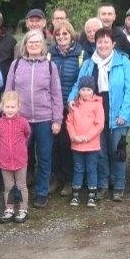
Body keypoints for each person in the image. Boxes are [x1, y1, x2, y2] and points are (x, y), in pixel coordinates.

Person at [70, 28, 130, 202]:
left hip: (117, 115)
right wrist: (71, 99)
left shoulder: (123, 62)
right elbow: (78, 85)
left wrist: (124, 113)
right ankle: (102, 185)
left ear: (113, 43)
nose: (103, 44)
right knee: (99, 152)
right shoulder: (88, 64)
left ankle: (119, 186)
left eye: (106, 41)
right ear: (95, 43)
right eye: (99, 41)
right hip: (93, 116)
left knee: (118, 152)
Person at [5, 29, 63, 208]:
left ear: (42, 45)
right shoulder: (16, 65)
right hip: (21, 120)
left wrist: (57, 119)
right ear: (25, 45)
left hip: (45, 120)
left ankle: (41, 192)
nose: (33, 45)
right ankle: (18, 191)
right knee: (21, 158)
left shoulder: (49, 66)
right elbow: (9, 92)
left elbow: (56, 94)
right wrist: (7, 115)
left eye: (37, 42)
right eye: (30, 42)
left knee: (45, 157)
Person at [49, 21, 84, 196]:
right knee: (54, 144)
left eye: (65, 34)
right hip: (52, 107)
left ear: (71, 35)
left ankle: (70, 179)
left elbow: (81, 81)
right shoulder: (49, 54)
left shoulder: (80, 54)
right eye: (58, 35)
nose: (61, 37)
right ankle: (55, 177)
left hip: (71, 107)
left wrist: (73, 100)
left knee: (68, 143)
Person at [66, 77, 105, 208]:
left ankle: (92, 195)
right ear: (79, 90)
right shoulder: (74, 104)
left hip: (92, 145)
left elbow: (99, 124)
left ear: (93, 90)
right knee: (78, 168)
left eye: (88, 89)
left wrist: (87, 137)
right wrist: (73, 136)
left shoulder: (97, 104)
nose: (85, 92)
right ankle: (75, 194)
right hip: (77, 144)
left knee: (91, 169)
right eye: (83, 89)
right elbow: (69, 122)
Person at [0, 91, 30, 223]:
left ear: (18, 106)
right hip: (4, 161)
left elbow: (27, 135)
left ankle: (23, 209)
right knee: (8, 186)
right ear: (2, 106)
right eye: (7, 107)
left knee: (21, 185)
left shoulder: (23, 122)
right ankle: (9, 209)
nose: (10, 110)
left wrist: (20, 150)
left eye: (13, 107)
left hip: (20, 160)